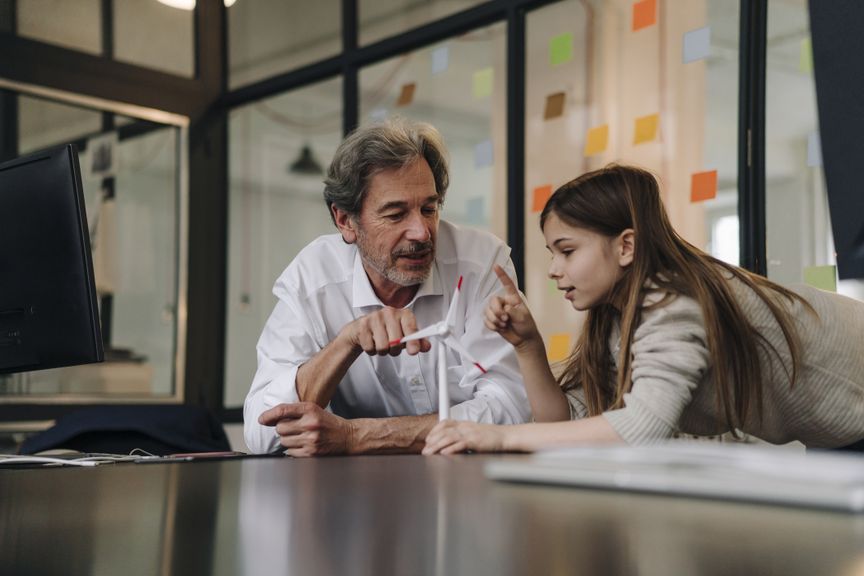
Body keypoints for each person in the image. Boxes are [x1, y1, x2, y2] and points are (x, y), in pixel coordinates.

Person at [423, 164, 864, 455]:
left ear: (626, 245)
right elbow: (564, 422)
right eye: (552, 253)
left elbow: (641, 427)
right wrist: (529, 348)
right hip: (835, 430)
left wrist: (498, 436)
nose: (555, 271)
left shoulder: (675, 301)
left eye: (567, 251)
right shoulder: (617, 319)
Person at [244, 118, 530, 455]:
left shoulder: (482, 263)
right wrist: (346, 342)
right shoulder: (312, 280)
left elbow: (514, 409)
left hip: (470, 487)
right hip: (351, 498)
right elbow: (262, 433)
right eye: (396, 214)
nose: (422, 232)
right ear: (345, 221)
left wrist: (360, 436)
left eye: (429, 208)